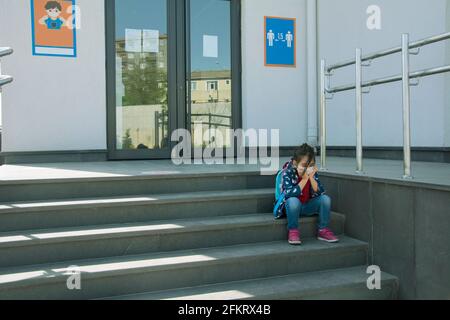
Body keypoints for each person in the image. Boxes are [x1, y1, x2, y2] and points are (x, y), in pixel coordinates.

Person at [277, 143, 339, 245]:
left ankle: (323, 230)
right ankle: (293, 231)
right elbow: (289, 194)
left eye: (311, 165)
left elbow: (319, 191)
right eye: (304, 165)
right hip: (291, 207)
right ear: (295, 163)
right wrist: (304, 179)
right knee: (293, 201)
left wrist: (311, 177)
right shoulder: (288, 172)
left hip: (306, 206)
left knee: (325, 199)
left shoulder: (311, 173)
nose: (307, 168)